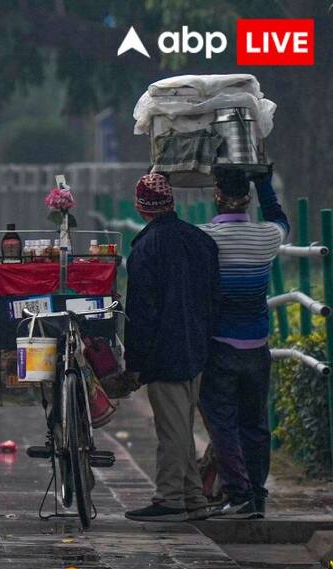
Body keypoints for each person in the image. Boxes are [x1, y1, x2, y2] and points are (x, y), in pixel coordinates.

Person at [122, 173, 219, 523]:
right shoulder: (201, 241)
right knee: (182, 423)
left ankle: (170, 498)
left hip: (164, 352)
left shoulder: (146, 248)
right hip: (197, 347)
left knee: (172, 431)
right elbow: (214, 297)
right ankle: (194, 497)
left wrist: (134, 363)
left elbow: (140, 313)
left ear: (141, 207)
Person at [198, 168, 289, 519]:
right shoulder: (267, 236)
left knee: (223, 423)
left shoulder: (205, 238)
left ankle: (239, 494)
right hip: (257, 346)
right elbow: (280, 218)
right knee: (255, 424)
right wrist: (264, 180)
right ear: (248, 198)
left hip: (219, 345)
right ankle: (258, 496)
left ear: (217, 196)